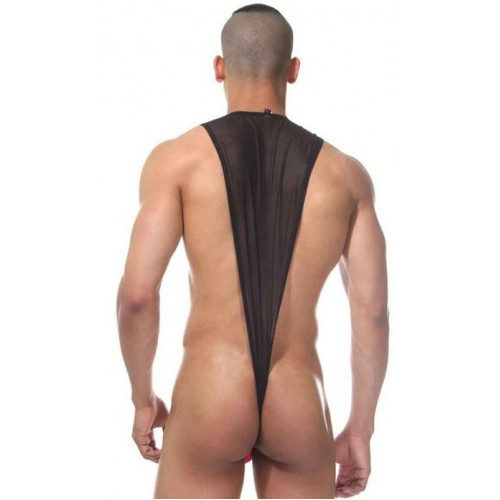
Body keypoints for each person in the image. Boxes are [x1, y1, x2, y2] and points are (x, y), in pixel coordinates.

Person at [116, 3, 389, 498]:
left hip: (210, 392)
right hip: (298, 396)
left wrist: (142, 398)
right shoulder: (346, 176)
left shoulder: (177, 161)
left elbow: (136, 296)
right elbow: (371, 314)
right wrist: (360, 429)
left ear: (219, 67)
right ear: (293, 70)